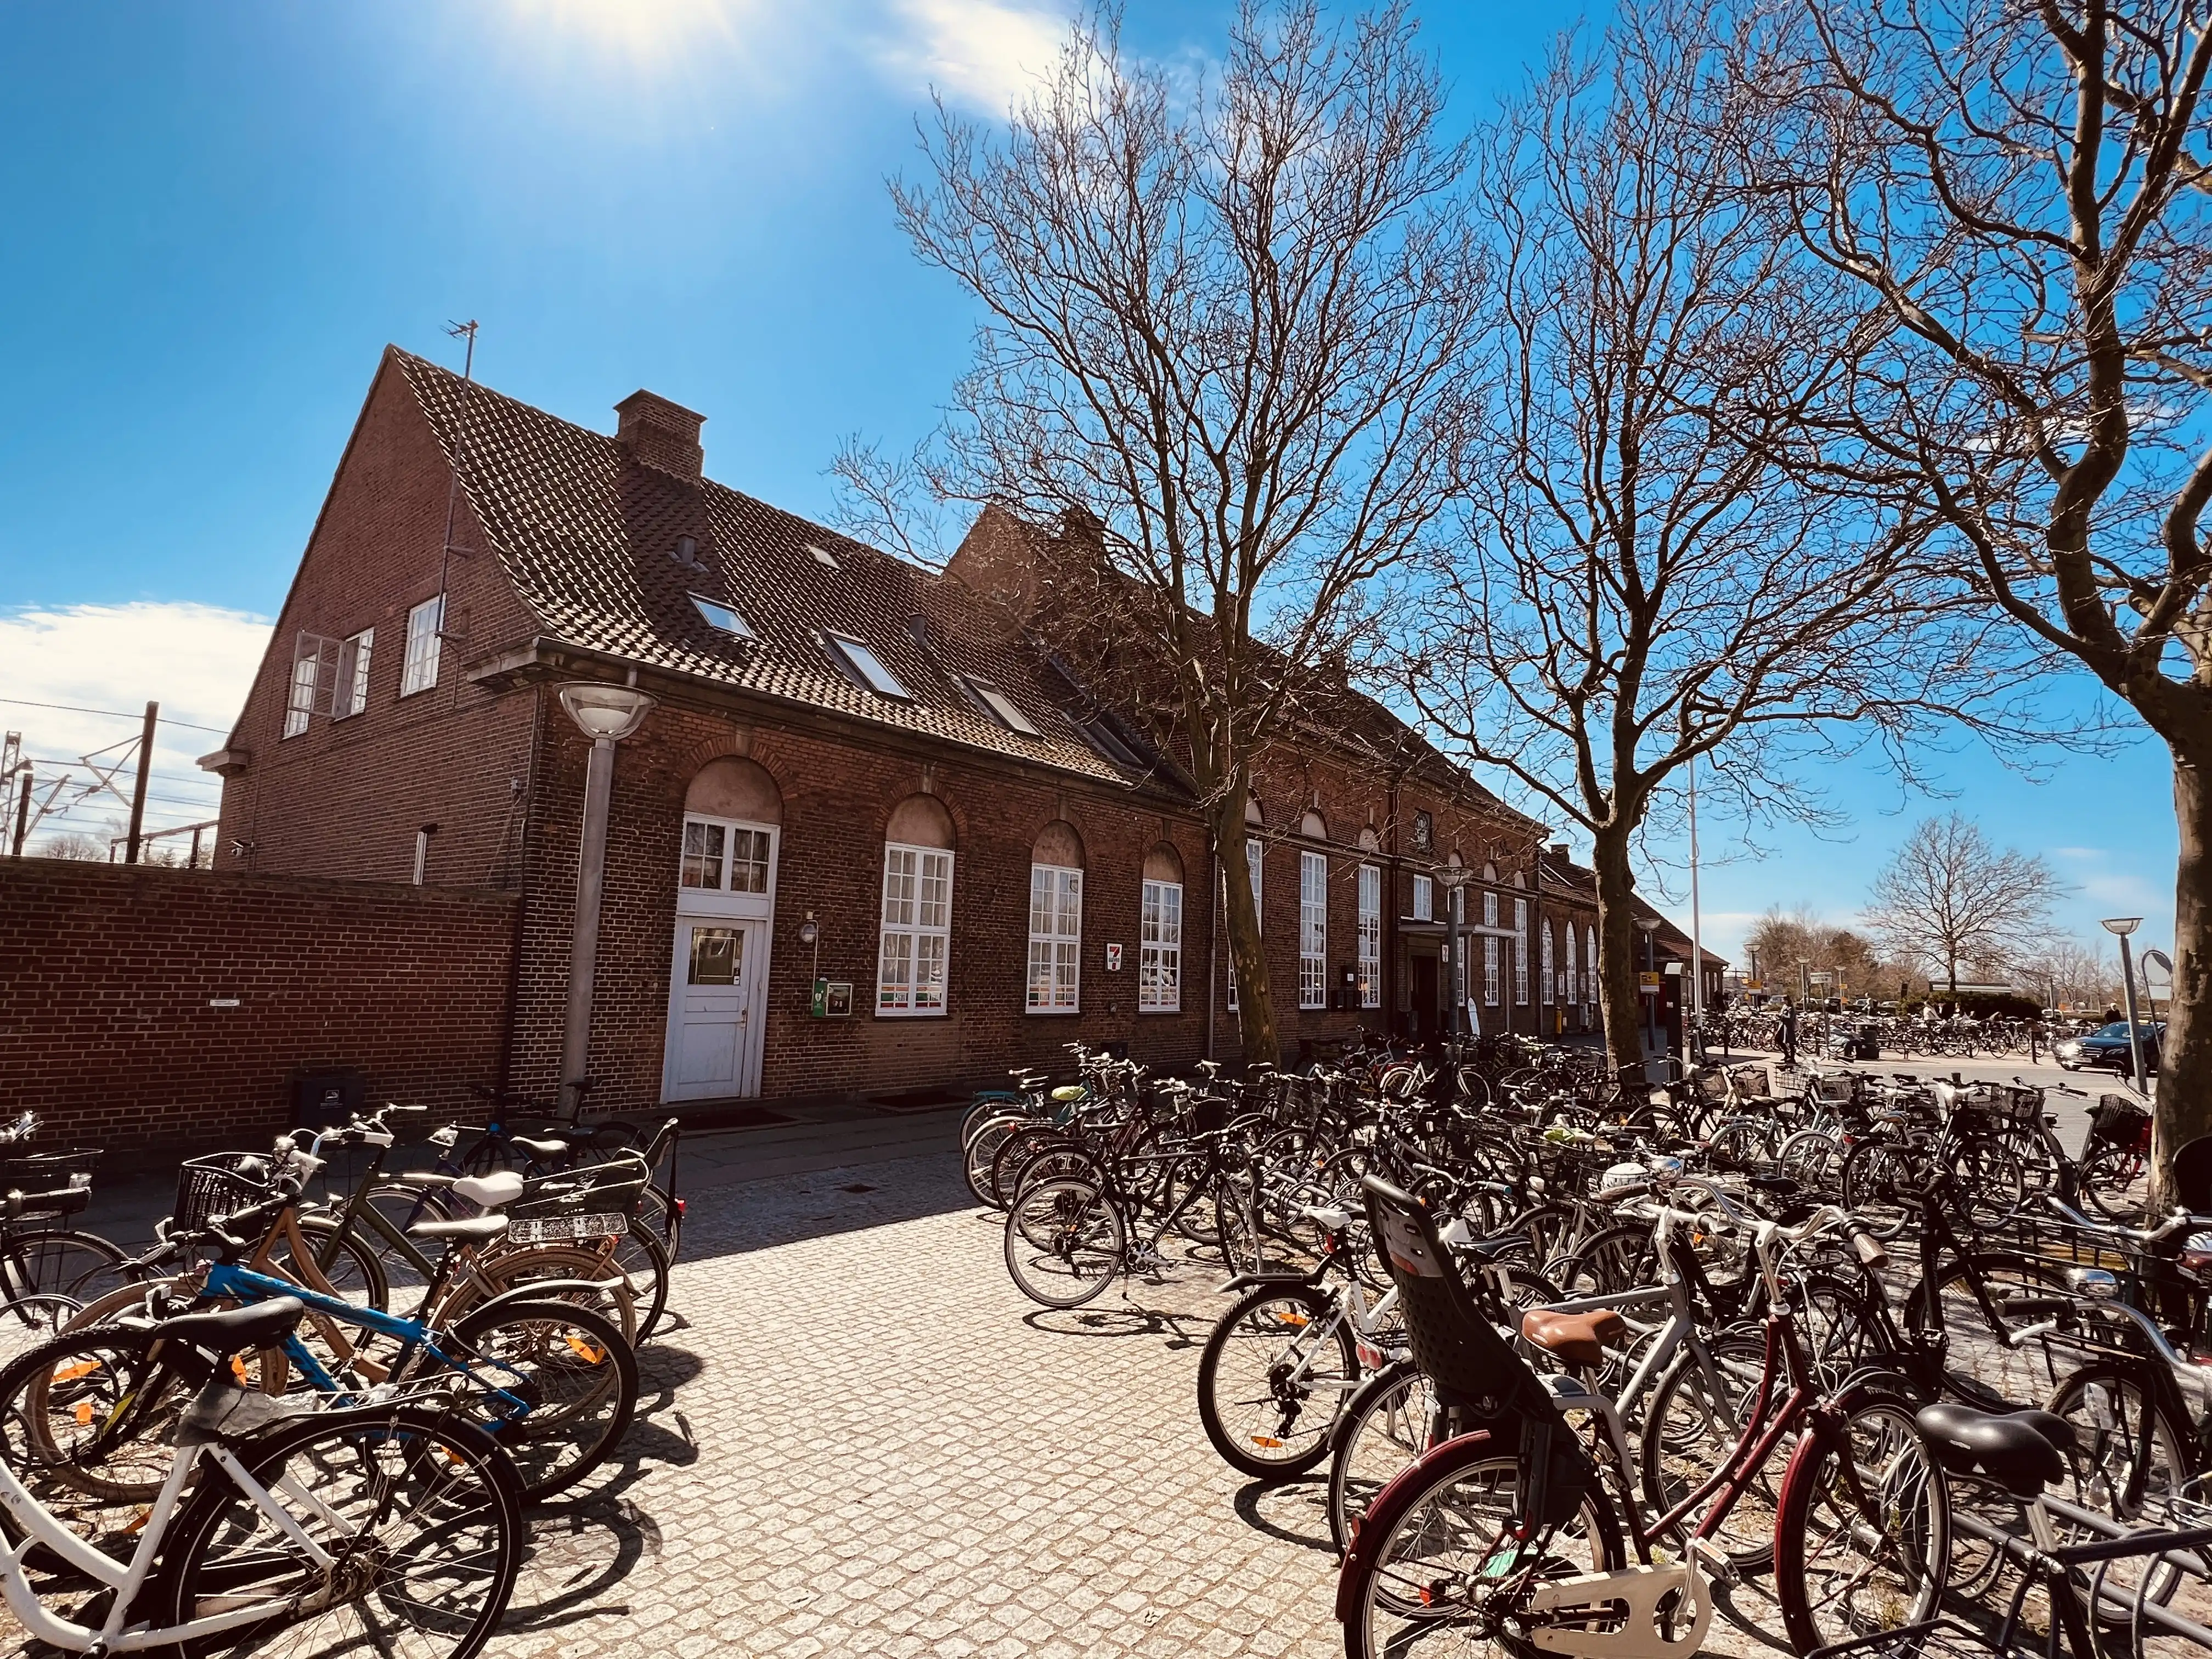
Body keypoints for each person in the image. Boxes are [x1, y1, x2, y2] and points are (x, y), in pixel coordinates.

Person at [1777, 996, 1799, 1071]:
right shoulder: (1784, 1006)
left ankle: (1792, 1059)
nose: (1783, 1001)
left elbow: (1790, 1018)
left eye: (1784, 1000)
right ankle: (1787, 1055)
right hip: (1783, 1026)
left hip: (1789, 1028)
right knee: (1778, 1039)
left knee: (1791, 1043)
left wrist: (1782, 1016)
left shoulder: (1791, 1009)